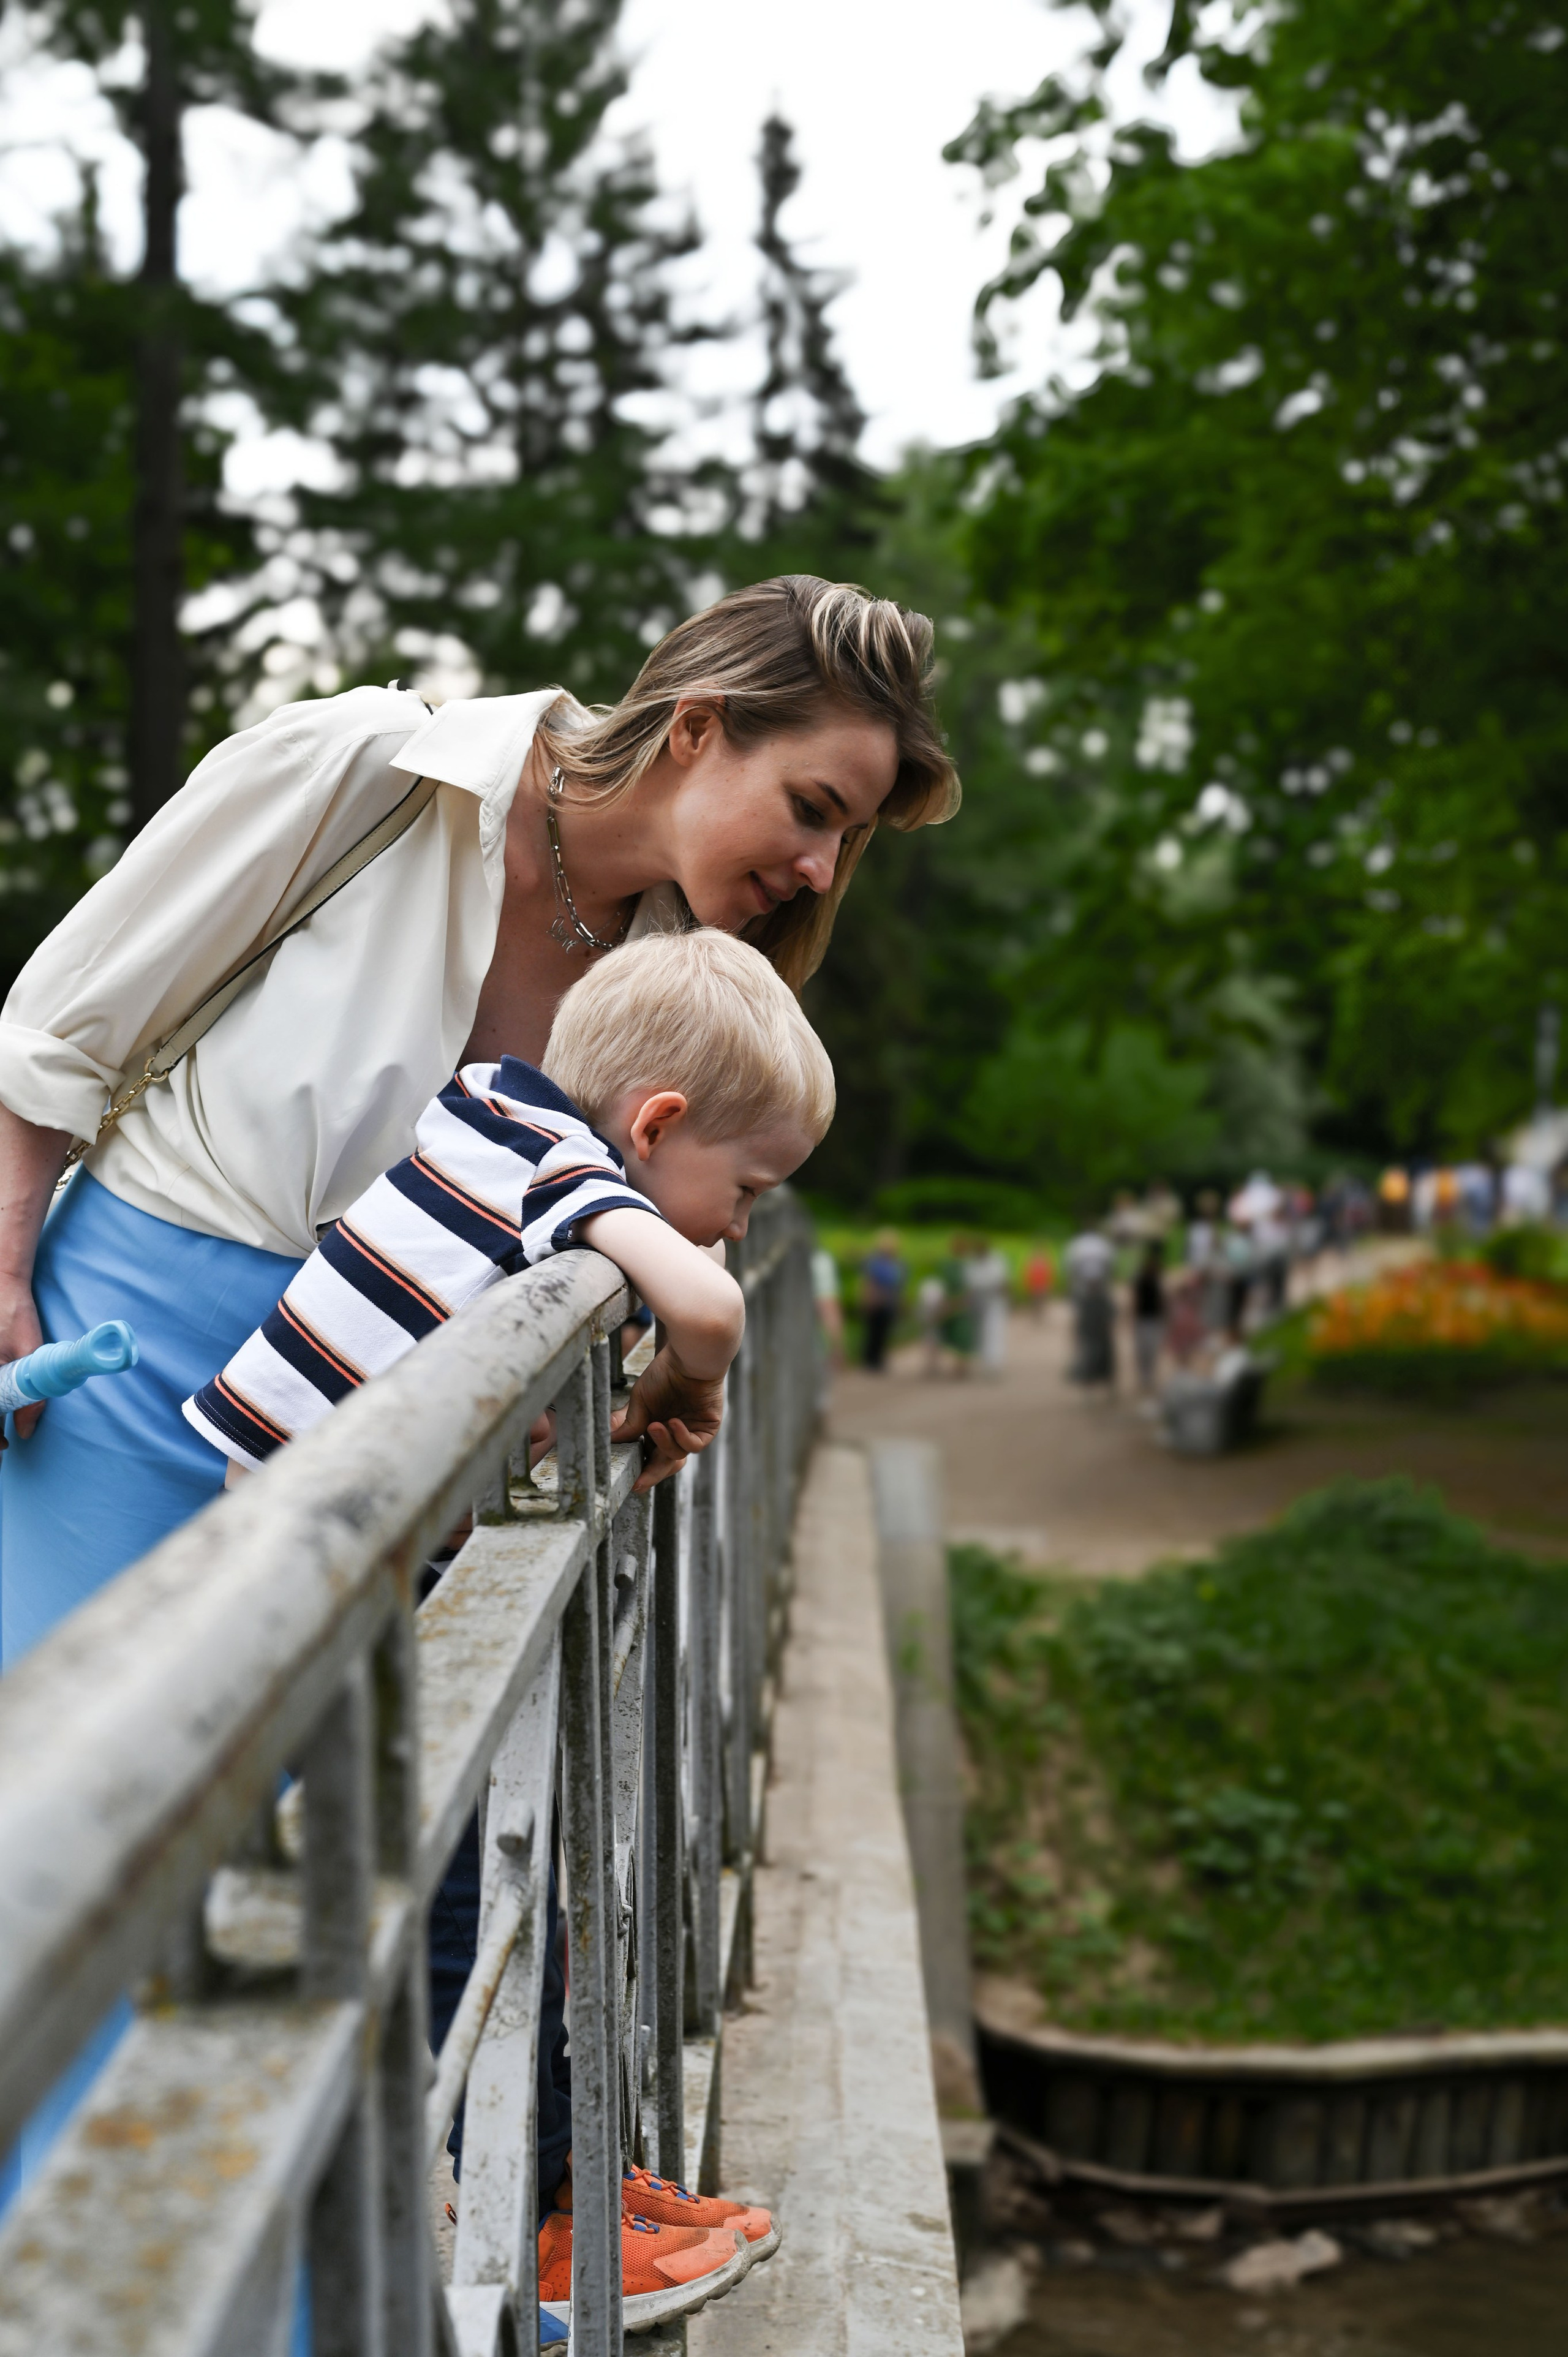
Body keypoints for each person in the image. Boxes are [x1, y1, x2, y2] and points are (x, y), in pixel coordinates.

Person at [0, 578, 959, 2272]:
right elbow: (56, 1036)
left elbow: (554, 1214)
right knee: (98, 1856)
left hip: (392, 1450)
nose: (824, 869)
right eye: (815, 808)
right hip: (139, 1381)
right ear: (695, 727)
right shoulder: (368, 772)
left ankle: (480, 2216)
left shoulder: (675, 969)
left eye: (851, 839)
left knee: (376, 1872)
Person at [1063, 1223, 1116, 1390]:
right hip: (1090, 1298)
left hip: (1084, 1296)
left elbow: (1069, 1269)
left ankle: (1094, 1373)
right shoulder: (1104, 1245)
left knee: (1087, 1340)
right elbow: (1112, 1267)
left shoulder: (1076, 1246)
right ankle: (1090, 1373)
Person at [856, 1228, 906, 1371]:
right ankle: (870, 1360)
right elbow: (867, 1281)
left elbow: (900, 1285)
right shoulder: (874, 1261)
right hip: (876, 1300)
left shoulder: (898, 1263)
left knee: (885, 1331)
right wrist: (866, 1298)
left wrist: (901, 1302)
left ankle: (879, 1359)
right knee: (872, 1331)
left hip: (890, 1302)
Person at [967, 1235, 1012, 1378]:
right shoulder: (972, 1264)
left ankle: (994, 1364)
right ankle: (985, 1363)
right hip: (979, 1303)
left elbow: (1004, 1282)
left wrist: (1008, 1297)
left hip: (995, 1303)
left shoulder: (997, 1261)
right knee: (981, 1335)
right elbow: (970, 1286)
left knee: (994, 1333)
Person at [1131, 1239, 1166, 1401]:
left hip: (1152, 1319)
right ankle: (1145, 1376)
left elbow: (1162, 1301)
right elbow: (1135, 1300)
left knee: (1150, 1350)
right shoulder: (1142, 1280)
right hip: (1144, 1318)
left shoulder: (1157, 1279)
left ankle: (1148, 1376)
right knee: (1143, 1350)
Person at [1022, 1243, 1054, 1320]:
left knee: (1041, 1301)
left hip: (1043, 1285)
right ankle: (1036, 1315)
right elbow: (1028, 1273)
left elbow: (1049, 1273)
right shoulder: (1032, 1261)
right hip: (1034, 1285)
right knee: (1035, 1301)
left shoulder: (1045, 1261)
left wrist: (1049, 1285)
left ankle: (1039, 1315)